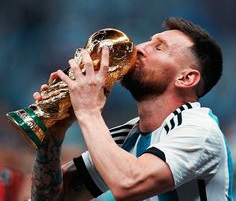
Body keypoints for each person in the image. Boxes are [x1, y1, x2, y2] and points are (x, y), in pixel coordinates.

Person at [31, 17, 234, 201]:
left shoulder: (199, 129)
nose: (138, 48)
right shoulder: (127, 136)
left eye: (159, 48)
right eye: (148, 41)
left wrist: (88, 110)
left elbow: (128, 182)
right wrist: (53, 136)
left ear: (186, 78)